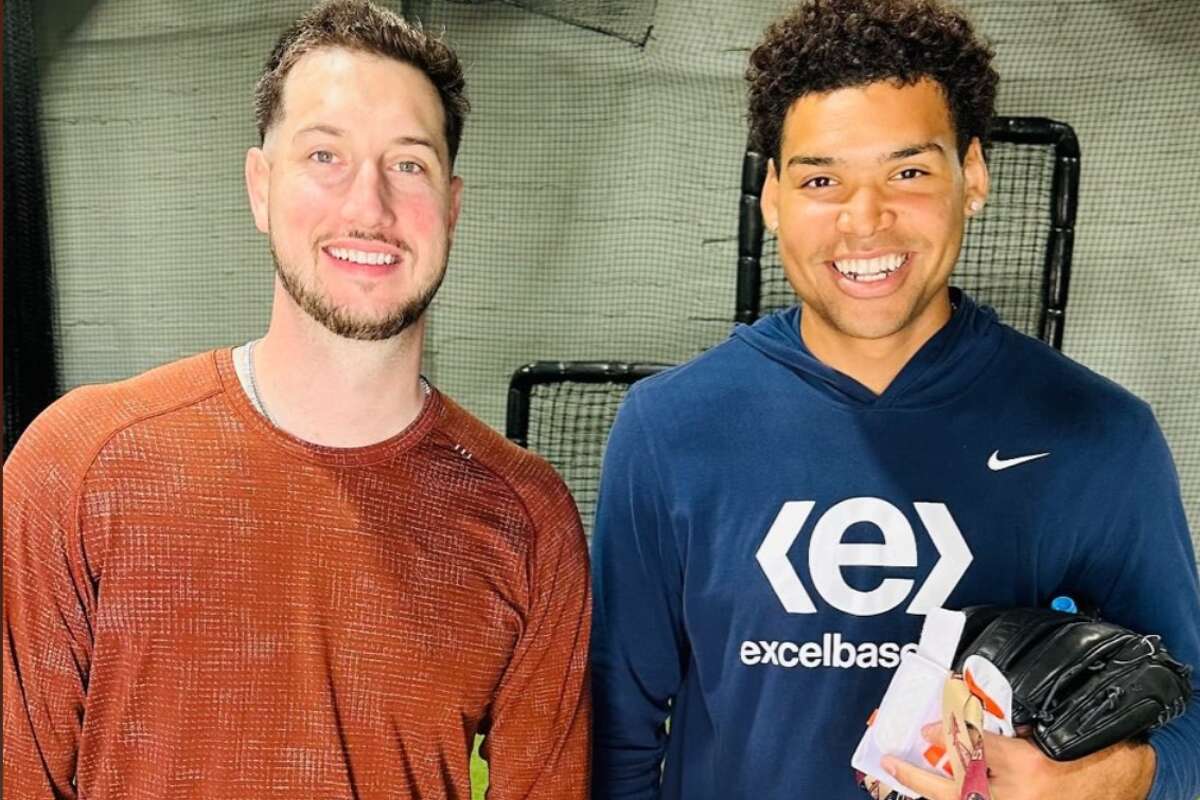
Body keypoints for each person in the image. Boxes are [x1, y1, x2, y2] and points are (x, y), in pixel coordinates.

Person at [589, 1, 1200, 798]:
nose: (864, 220)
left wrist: (1109, 779)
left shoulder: (1098, 434)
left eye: (908, 172)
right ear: (773, 196)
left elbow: (1191, 715)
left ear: (972, 176)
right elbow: (615, 732)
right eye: (821, 179)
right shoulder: (669, 428)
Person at [2, 2, 591, 797]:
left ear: (451, 205)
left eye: (408, 163)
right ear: (260, 186)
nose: (368, 207)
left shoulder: (527, 518)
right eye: (325, 155)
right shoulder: (75, 464)